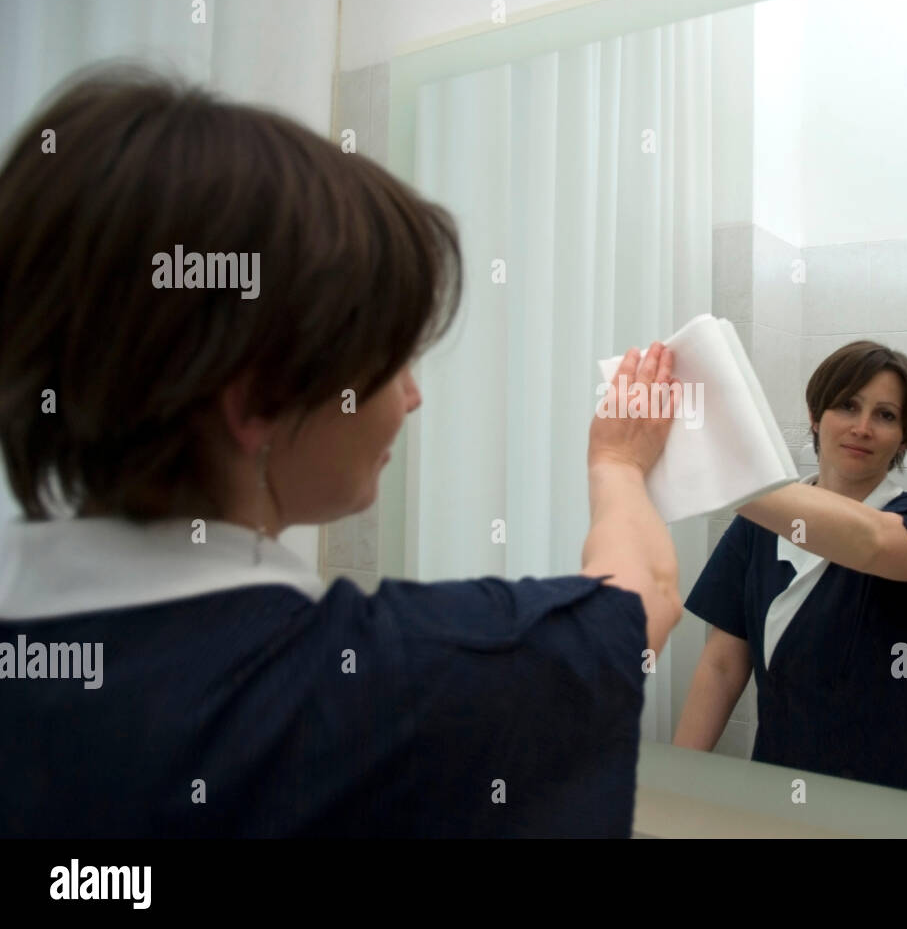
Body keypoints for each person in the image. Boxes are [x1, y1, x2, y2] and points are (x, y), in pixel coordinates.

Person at [0, 63, 685, 837]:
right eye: (393, 360)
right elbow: (641, 602)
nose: (413, 397)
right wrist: (618, 465)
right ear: (258, 400)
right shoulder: (390, 687)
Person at [673, 341, 907, 797]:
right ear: (815, 416)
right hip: (779, 781)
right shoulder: (759, 526)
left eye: (885, 415)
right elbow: (723, 664)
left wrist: (711, 463)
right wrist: (678, 782)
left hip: (892, 797)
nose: (862, 427)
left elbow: (870, 541)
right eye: (847, 405)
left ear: (904, 437)